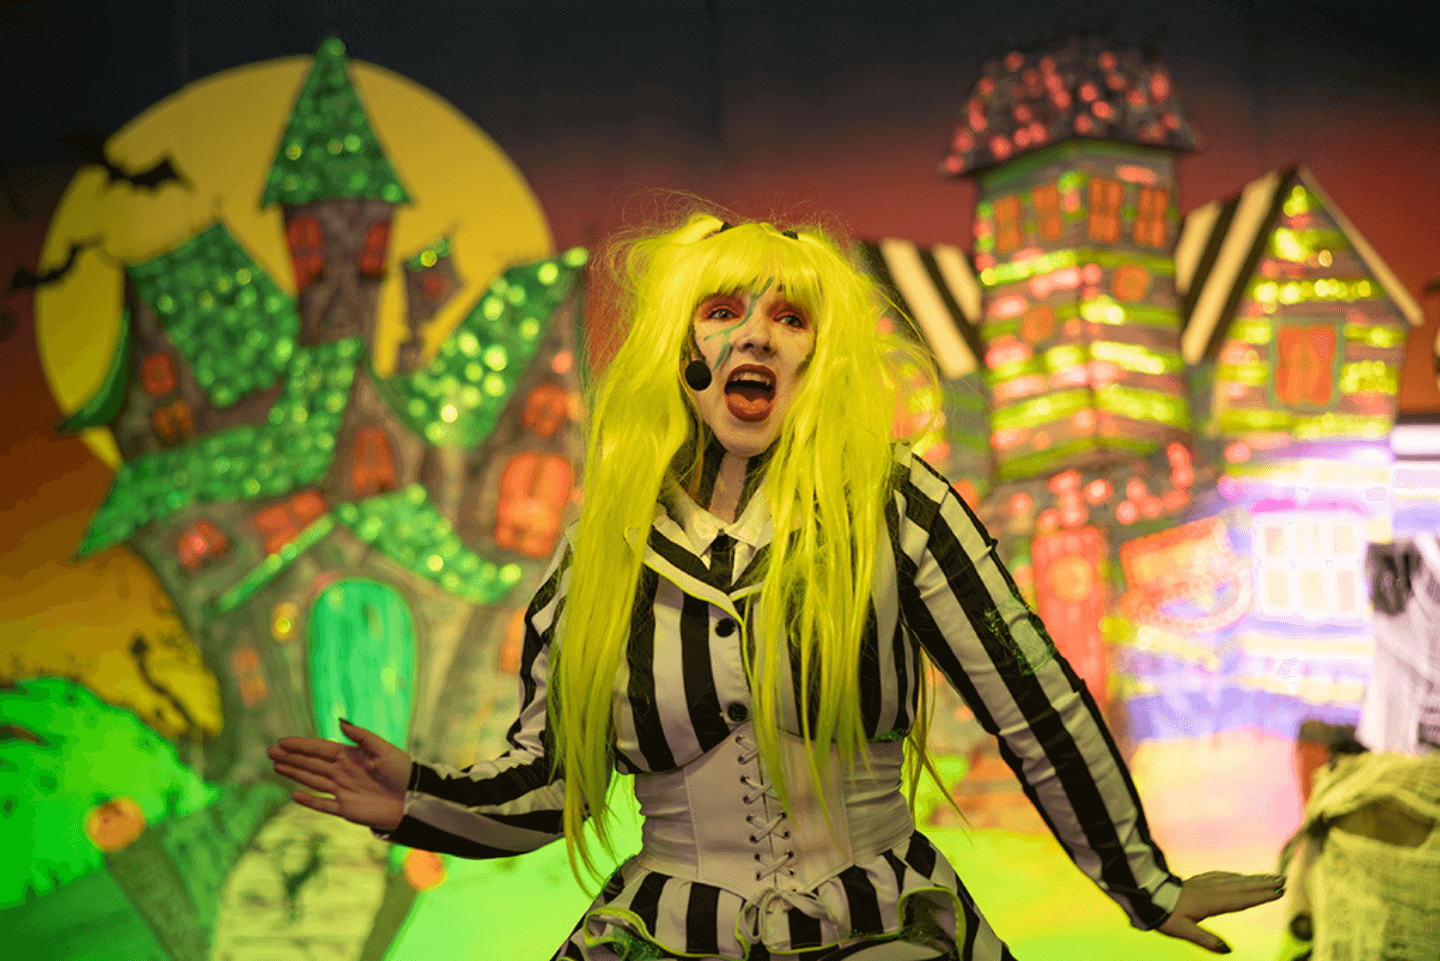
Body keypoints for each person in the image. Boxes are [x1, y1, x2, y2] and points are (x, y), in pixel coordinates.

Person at [269, 211, 1285, 960]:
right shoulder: (604, 552)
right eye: (723, 312)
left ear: (820, 358)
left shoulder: (897, 507)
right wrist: (419, 801)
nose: (755, 335)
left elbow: (1034, 700)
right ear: (683, 353)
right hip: (669, 933)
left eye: (788, 317)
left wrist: (1145, 883)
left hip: (881, 924)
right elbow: (551, 781)